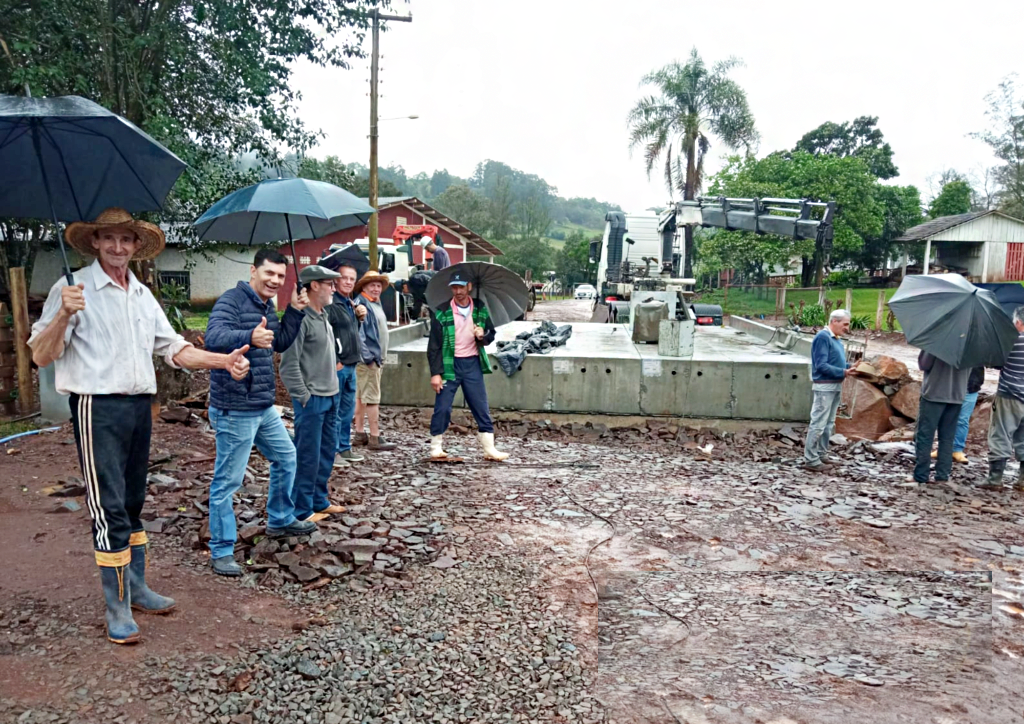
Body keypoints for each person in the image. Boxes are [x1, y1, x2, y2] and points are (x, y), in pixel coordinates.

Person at [28, 208, 252, 644]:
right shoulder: (72, 288)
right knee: (107, 503)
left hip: (137, 406)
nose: (117, 247)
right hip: (97, 405)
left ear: (135, 245)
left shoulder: (141, 294)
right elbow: (41, 354)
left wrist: (222, 362)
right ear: (94, 242)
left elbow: (174, 348)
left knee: (132, 500)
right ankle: (116, 607)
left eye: (125, 240)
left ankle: (137, 586)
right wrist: (61, 316)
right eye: (109, 239)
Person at [203, 249, 317, 578]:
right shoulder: (232, 300)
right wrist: (248, 336)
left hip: (261, 405)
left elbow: (278, 343)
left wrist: (294, 312)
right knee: (228, 481)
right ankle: (222, 550)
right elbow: (213, 338)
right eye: (269, 274)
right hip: (235, 406)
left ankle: (280, 519)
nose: (275, 281)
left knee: (285, 457)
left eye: (281, 277)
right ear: (253, 271)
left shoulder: (267, 305)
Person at [281, 265, 349, 522]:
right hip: (312, 400)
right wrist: (304, 396)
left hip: (331, 396)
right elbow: (288, 365)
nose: (334, 287)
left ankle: (319, 500)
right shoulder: (301, 321)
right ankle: (301, 509)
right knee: (307, 455)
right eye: (328, 283)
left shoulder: (324, 316)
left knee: (326, 451)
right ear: (312, 286)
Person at [427, 271, 509, 461]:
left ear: (469, 287)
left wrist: (483, 335)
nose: (458, 291)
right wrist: (435, 373)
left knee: (480, 405)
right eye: (454, 287)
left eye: (461, 287)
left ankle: (489, 448)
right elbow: (434, 346)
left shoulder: (480, 308)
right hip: (450, 364)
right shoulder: (441, 312)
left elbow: (491, 334)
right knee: (443, 407)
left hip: (472, 363)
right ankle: (436, 447)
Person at [323, 261, 367, 466]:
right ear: (335, 280)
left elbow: (349, 332)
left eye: (352, 278)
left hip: (352, 365)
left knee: (347, 411)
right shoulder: (331, 304)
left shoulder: (350, 303)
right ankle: (332, 452)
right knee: (335, 411)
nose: (349, 282)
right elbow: (326, 335)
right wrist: (336, 360)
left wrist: (359, 318)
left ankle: (344, 447)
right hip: (339, 366)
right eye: (345, 278)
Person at [802, 309, 856, 471]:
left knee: (829, 423)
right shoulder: (823, 338)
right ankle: (811, 459)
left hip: (835, 384)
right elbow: (821, 365)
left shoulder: (835, 339)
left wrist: (849, 367)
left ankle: (821, 453)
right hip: (825, 386)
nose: (847, 327)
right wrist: (843, 372)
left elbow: (835, 363)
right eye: (845, 324)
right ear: (834, 321)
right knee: (818, 422)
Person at [352, 272, 397, 450]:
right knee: (372, 398)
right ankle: (375, 437)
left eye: (379, 286)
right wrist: (368, 357)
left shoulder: (374, 303)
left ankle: (359, 433)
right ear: (364, 287)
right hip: (369, 360)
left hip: (374, 358)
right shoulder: (362, 304)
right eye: (372, 285)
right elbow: (359, 334)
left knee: (361, 397)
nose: (376, 288)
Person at [912, 351, 971, 484]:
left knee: (925, 436)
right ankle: (942, 475)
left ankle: (921, 475)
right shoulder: (972, 342)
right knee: (947, 437)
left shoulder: (937, 338)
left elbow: (924, 364)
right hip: (957, 395)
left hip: (934, 393)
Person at [985, 306, 1024, 490]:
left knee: (1000, 434)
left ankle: (995, 479)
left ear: (1018, 322)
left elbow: (994, 362)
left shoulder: (1012, 340)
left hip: (1009, 395)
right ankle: (1022, 481)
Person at [931, 366, 984, 464]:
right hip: (951, 385)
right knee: (946, 418)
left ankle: (957, 450)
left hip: (971, 387)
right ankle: (942, 449)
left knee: (962, 420)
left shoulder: (981, 350)